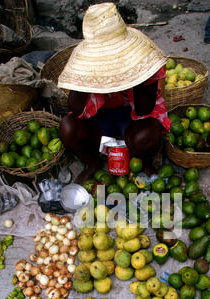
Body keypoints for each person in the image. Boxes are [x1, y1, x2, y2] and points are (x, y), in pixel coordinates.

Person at [58, 2, 170, 183]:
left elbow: (144, 109)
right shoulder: (87, 67)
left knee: (148, 135)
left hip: (133, 118)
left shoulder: (142, 60)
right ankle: (93, 164)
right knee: (68, 128)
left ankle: (146, 163)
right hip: (100, 118)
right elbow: (76, 109)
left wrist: (136, 75)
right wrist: (84, 78)